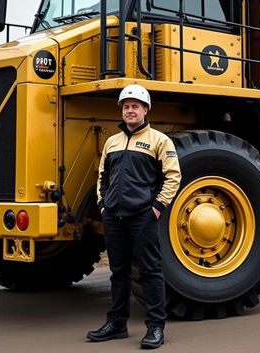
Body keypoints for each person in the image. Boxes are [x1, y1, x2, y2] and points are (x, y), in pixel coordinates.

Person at [87, 84, 181, 349]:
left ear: (145, 110)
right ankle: (117, 324)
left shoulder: (159, 140)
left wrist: (157, 207)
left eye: (135, 106)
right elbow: (102, 176)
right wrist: (103, 204)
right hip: (114, 217)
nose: (130, 110)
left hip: (143, 216)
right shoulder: (112, 141)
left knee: (151, 271)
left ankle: (155, 328)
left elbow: (173, 176)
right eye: (126, 106)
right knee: (119, 272)